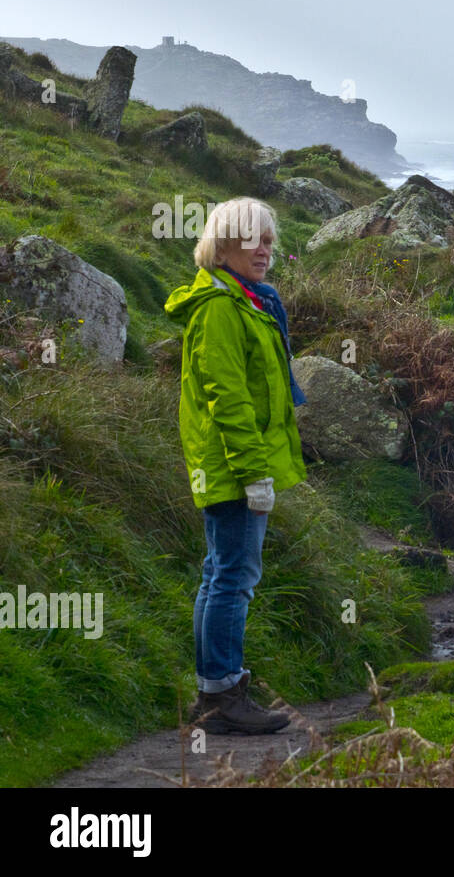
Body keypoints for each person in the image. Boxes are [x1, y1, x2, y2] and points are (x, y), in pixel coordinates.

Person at [163, 197, 308, 734]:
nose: (265, 250)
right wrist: (254, 474)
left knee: (219, 574)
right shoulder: (223, 307)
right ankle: (223, 696)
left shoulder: (244, 300)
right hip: (232, 468)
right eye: (254, 240)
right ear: (222, 244)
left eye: (269, 240)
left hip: (227, 465)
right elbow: (228, 398)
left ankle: (215, 692)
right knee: (234, 578)